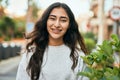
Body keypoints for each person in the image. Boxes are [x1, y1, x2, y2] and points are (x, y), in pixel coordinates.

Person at [16, 2, 89, 80]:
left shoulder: (78, 56)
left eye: (63, 20)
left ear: (69, 25)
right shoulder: (31, 53)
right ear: (45, 22)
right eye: (52, 18)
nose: (57, 24)